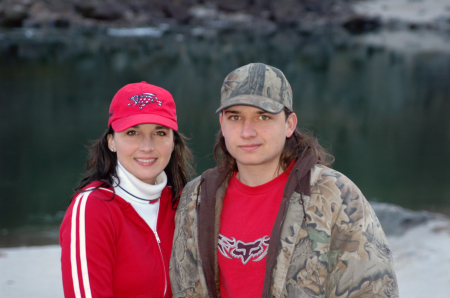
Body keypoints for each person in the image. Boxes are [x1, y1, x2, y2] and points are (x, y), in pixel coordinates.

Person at [169, 63, 398, 298]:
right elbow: (184, 287)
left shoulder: (336, 195)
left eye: (263, 117)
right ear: (222, 125)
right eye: (235, 117)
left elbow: (373, 290)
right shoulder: (197, 197)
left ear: (289, 124)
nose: (247, 131)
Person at [60, 82, 193, 298]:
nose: (147, 147)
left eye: (160, 133)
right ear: (111, 141)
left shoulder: (184, 203)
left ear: (173, 142)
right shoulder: (92, 208)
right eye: (132, 133)